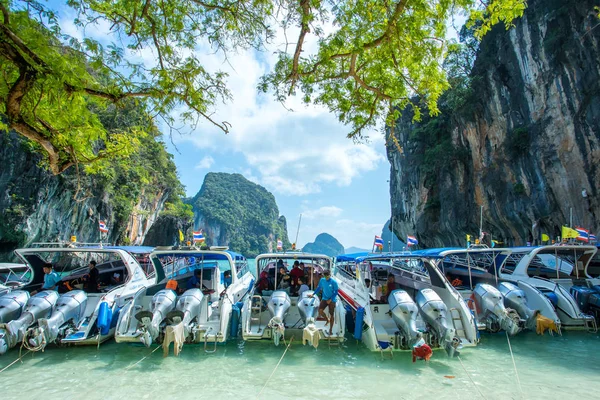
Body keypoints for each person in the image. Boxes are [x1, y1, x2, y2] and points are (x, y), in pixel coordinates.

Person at [310, 269, 338, 335]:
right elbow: (319, 287)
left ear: (330, 275)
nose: (327, 278)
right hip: (324, 298)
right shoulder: (322, 280)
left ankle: (330, 330)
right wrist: (313, 294)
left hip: (332, 300)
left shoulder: (334, 282)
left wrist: (331, 299)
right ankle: (327, 320)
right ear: (323, 276)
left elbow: (336, 292)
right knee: (320, 311)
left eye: (328, 276)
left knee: (331, 315)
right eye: (325, 276)